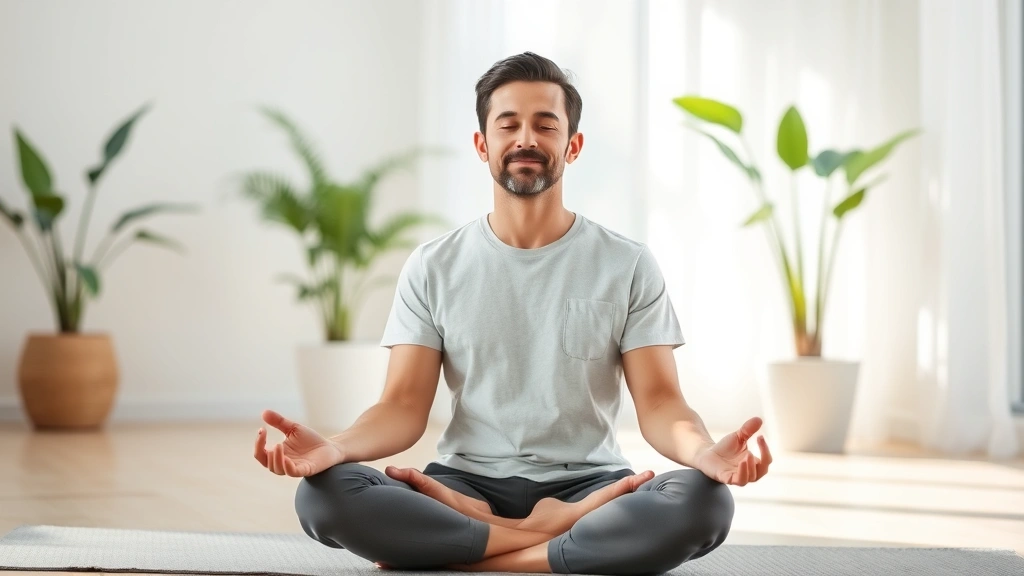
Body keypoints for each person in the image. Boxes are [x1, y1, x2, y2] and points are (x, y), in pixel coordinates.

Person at [253, 52, 772, 575]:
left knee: (704, 503)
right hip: (461, 484)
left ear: (573, 145)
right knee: (324, 496)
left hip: (590, 483)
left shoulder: (627, 262)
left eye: (546, 125)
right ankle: (554, 540)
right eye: (509, 125)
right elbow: (402, 406)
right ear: (483, 145)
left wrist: (703, 452)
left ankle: (477, 554)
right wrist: (336, 448)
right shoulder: (434, 264)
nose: (527, 138)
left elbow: (661, 401)